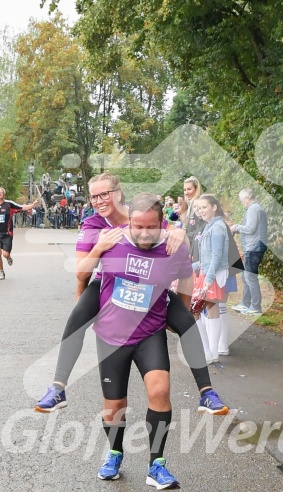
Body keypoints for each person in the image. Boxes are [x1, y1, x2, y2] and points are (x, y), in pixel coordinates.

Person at [34, 173, 228, 416]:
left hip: (153, 286)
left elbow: (174, 245)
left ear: (118, 193)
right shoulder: (93, 225)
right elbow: (82, 274)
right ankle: (58, 387)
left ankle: (207, 392)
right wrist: (99, 249)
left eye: (104, 194)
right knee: (76, 318)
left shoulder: (141, 213)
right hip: (109, 281)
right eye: (94, 196)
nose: (98, 201)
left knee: (186, 321)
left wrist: (179, 233)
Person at [75, 193, 194, 485]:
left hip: (150, 332)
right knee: (115, 406)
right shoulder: (111, 241)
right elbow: (81, 274)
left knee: (160, 391)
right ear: (129, 222)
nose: (143, 233)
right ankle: (114, 452)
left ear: (160, 223)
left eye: (150, 226)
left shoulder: (171, 244)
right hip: (113, 336)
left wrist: (179, 311)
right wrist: (84, 307)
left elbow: (187, 278)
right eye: (137, 226)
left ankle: (157, 464)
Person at [192, 194, 229, 364]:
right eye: (198, 208)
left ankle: (211, 352)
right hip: (207, 272)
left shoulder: (217, 228)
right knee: (200, 311)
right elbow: (206, 258)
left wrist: (209, 278)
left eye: (204, 207)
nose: (201, 211)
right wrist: (190, 267)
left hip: (212, 274)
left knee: (202, 310)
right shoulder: (209, 226)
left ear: (214, 207)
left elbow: (216, 256)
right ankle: (209, 352)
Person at [230, 187, 267, 316]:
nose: (242, 203)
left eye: (242, 200)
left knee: (250, 277)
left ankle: (255, 307)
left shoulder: (253, 209)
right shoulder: (257, 208)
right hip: (254, 247)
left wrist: (236, 227)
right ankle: (245, 303)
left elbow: (250, 228)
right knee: (246, 276)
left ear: (247, 198)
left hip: (254, 248)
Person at [0, 187, 39, 280]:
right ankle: (1, 271)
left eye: (1, 192)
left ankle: (8, 258)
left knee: (5, 254)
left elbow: (22, 207)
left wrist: (33, 205)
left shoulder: (9, 204)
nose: (0, 193)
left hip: (7, 234)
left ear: (4, 194)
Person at [182, 176, 203, 246]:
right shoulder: (191, 204)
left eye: (189, 189)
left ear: (196, 189)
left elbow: (200, 227)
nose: (186, 192)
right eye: (184, 190)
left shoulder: (198, 204)